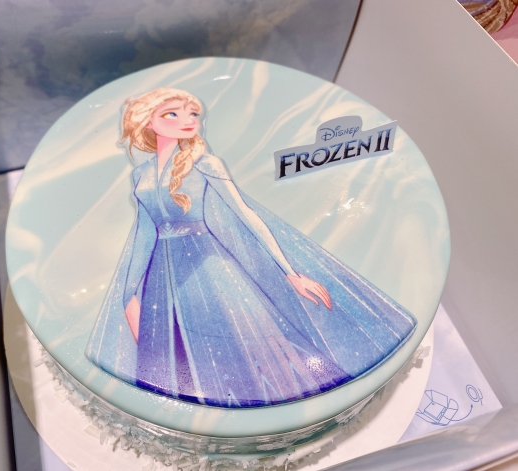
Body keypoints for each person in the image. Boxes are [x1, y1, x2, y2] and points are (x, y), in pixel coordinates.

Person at [85, 87, 416, 408]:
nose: (187, 120)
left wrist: (290, 273)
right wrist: (128, 294)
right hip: (162, 280)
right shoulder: (140, 176)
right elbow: (146, 234)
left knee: (239, 352)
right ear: (148, 121)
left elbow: (246, 216)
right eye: (172, 114)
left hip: (209, 270)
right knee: (180, 366)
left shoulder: (206, 164)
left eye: (193, 113)